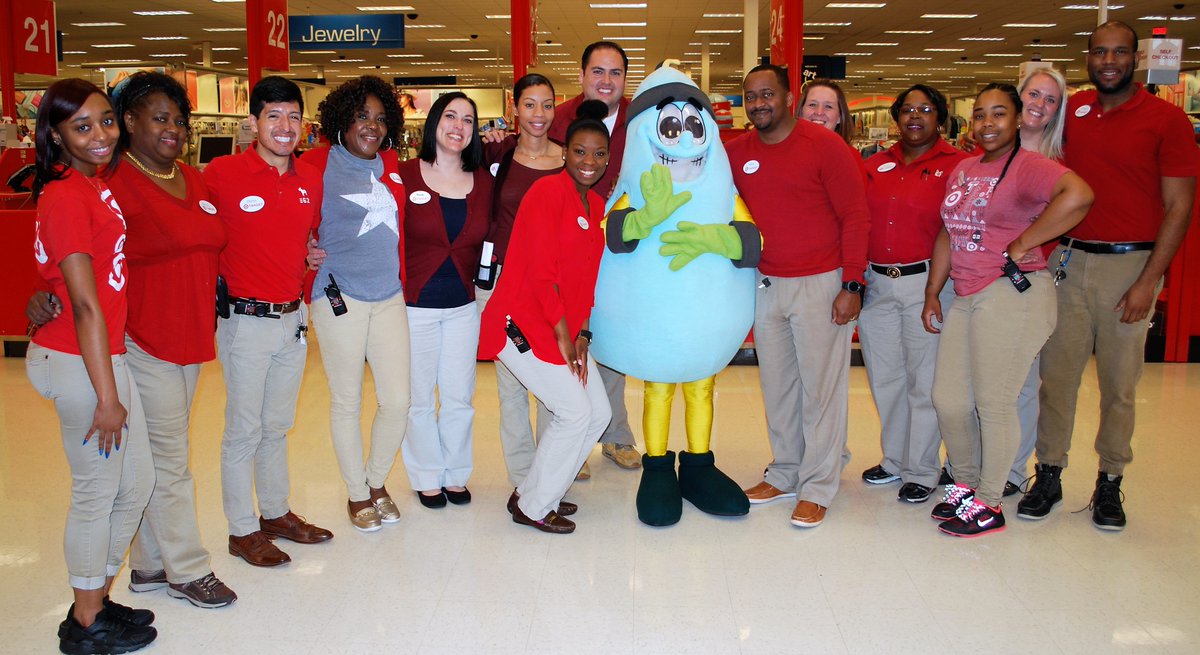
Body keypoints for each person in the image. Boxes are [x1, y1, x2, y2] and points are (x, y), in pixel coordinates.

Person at [1020, 21, 1199, 530]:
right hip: (1068, 262)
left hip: (1130, 266)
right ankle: (1049, 473)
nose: (1109, 61)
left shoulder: (1166, 120)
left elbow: (1179, 208)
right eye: (1100, 52)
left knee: (1120, 386)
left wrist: (1149, 280)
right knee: (1057, 380)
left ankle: (1110, 483)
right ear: (1089, 58)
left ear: (1136, 58)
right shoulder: (1072, 111)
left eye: (1120, 52)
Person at [922, 83, 1093, 538]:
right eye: (979, 115)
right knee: (949, 399)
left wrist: (1023, 242)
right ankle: (965, 483)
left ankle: (991, 501)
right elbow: (948, 231)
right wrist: (933, 291)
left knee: (993, 402)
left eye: (999, 114)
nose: (987, 123)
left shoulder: (1031, 167)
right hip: (967, 292)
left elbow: (1078, 195)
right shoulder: (963, 168)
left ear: (1018, 120)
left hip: (1013, 292)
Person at [26, 78, 156, 654]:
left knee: (137, 483)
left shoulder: (91, 185)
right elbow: (82, 303)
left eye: (106, 120)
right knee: (97, 493)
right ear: (55, 135)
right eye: (82, 126)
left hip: (104, 354)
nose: (100, 134)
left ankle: (94, 598)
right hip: (82, 361)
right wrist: (108, 397)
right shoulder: (65, 194)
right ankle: (83, 622)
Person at [728, 64, 871, 528]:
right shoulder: (740, 152)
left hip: (821, 283)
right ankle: (787, 469)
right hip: (767, 286)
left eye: (767, 94)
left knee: (822, 390)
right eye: (750, 97)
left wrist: (852, 284)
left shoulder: (823, 145)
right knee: (779, 386)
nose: (758, 104)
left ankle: (818, 484)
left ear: (789, 97)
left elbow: (855, 216)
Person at [205, 76, 333, 567]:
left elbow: (303, 236)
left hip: (292, 320)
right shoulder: (221, 173)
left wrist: (308, 253)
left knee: (277, 425)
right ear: (254, 121)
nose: (285, 127)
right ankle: (241, 530)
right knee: (243, 430)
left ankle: (275, 513)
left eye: (294, 116)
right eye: (274, 116)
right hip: (245, 321)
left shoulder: (309, 181)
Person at [478, 100, 613, 534]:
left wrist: (584, 333)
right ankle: (533, 506)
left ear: (607, 158)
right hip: (522, 324)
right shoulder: (545, 193)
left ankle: (541, 490)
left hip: (564, 328)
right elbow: (541, 274)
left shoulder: (594, 208)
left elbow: (587, 281)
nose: (588, 161)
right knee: (574, 413)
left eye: (597, 153)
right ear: (564, 153)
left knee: (598, 413)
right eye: (579, 151)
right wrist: (562, 336)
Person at [305, 76, 410, 532]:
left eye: (381, 118)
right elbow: (288, 213)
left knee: (398, 400)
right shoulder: (316, 164)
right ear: (342, 119)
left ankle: (376, 480)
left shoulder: (390, 162)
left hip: (389, 295)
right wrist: (302, 249)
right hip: (338, 295)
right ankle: (356, 492)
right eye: (362, 116)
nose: (372, 126)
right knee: (347, 400)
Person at [859, 84, 969, 504]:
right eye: (907, 110)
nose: (915, 117)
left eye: (925, 109)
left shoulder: (958, 165)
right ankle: (895, 459)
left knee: (925, 382)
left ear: (941, 117)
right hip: (877, 285)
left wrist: (934, 290)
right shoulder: (876, 163)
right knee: (886, 377)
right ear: (896, 117)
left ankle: (923, 468)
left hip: (929, 285)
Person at [546, 40, 643, 476]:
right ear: (583, 75)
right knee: (560, 339)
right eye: (598, 72)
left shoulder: (638, 121)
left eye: (615, 73)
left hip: (615, 246)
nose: (606, 81)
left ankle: (616, 436)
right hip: (565, 241)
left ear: (625, 79)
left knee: (610, 337)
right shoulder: (557, 118)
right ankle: (565, 442)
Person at [398, 91, 492, 508]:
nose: (458, 126)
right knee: (418, 398)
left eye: (468, 120)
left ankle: (456, 473)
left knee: (459, 396)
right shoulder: (402, 175)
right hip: (413, 307)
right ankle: (425, 475)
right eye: (450, 116)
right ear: (434, 122)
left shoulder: (485, 181)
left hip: (462, 308)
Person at [478, 73, 566, 488]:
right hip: (503, 282)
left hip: (551, 287)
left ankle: (549, 477)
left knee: (552, 385)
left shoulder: (569, 160)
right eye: (529, 104)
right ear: (515, 108)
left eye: (546, 105)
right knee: (511, 387)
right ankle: (522, 481)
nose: (539, 114)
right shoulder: (500, 157)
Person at [797, 79, 854, 143]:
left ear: (840, 116)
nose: (819, 112)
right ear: (801, 111)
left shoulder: (849, 153)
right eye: (812, 104)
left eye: (828, 106)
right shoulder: (785, 151)